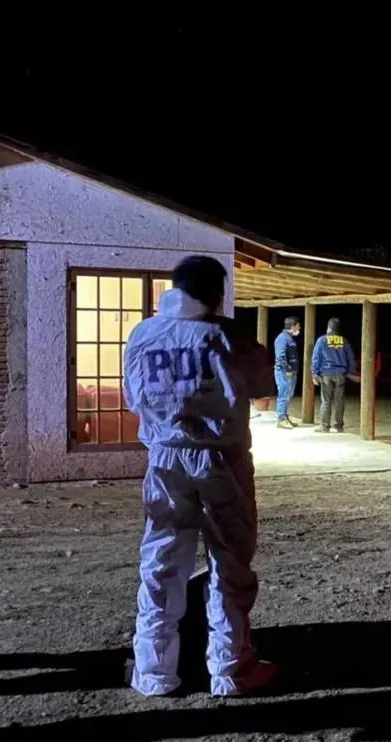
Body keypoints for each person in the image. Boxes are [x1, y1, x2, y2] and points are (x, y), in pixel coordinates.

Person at [122, 255, 277, 698]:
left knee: (161, 564)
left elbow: (133, 397)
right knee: (229, 563)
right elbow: (264, 391)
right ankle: (231, 669)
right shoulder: (229, 335)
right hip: (222, 460)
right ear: (216, 293)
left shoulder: (143, 334)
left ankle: (153, 672)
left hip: (165, 460)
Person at [311, 317, 357, 433]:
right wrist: (350, 372)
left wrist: (314, 373)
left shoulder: (322, 340)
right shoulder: (344, 341)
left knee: (326, 401)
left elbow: (316, 357)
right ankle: (339, 426)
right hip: (340, 374)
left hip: (326, 374)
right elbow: (351, 358)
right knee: (339, 401)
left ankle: (325, 426)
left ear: (329, 327)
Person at [273, 317, 301, 429]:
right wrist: (288, 369)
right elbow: (280, 356)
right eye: (298, 326)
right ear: (293, 326)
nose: (299, 328)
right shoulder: (282, 338)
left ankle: (285, 416)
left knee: (288, 395)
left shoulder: (290, 338)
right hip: (283, 372)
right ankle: (281, 419)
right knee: (283, 395)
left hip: (291, 372)